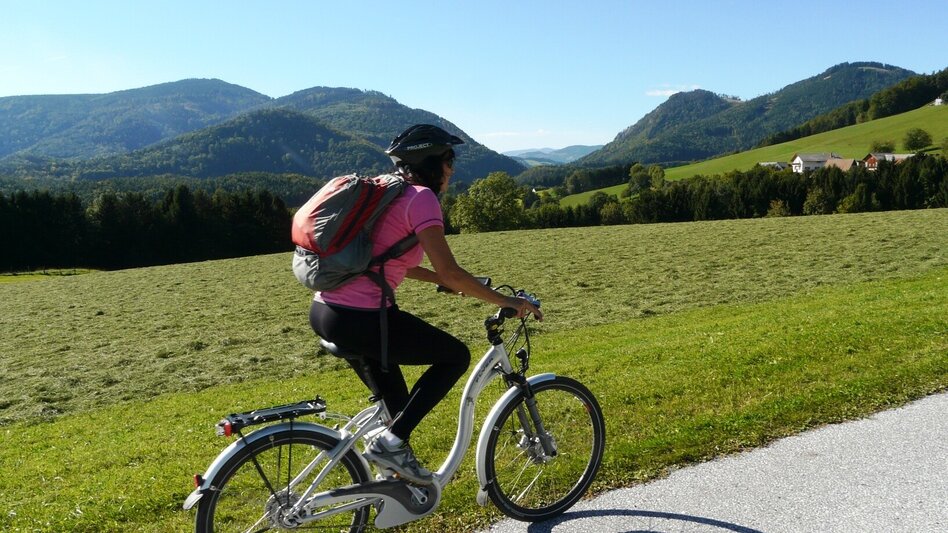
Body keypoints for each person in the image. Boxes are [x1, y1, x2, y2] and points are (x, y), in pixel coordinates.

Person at [308, 124, 542, 485]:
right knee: (455, 356)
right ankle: (388, 447)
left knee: (398, 411)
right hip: (363, 319)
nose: (452, 169)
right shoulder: (421, 199)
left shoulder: (390, 193)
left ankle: (392, 489)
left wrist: (446, 283)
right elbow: (450, 270)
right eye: (449, 160)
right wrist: (508, 301)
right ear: (431, 163)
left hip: (327, 311)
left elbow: (392, 260)